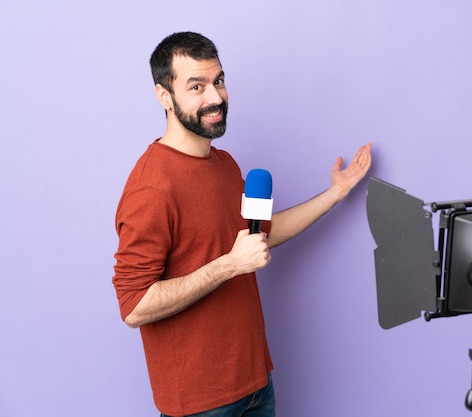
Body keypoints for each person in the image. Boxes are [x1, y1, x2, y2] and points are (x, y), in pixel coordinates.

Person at [112, 31, 372, 417]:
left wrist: (335, 193)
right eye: (196, 86)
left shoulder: (227, 165)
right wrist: (229, 264)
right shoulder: (152, 187)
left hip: (256, 385)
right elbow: (133, 306)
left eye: (218, 81)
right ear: (164, 96)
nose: (215, 97)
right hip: (200, 405)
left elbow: (258, 236)